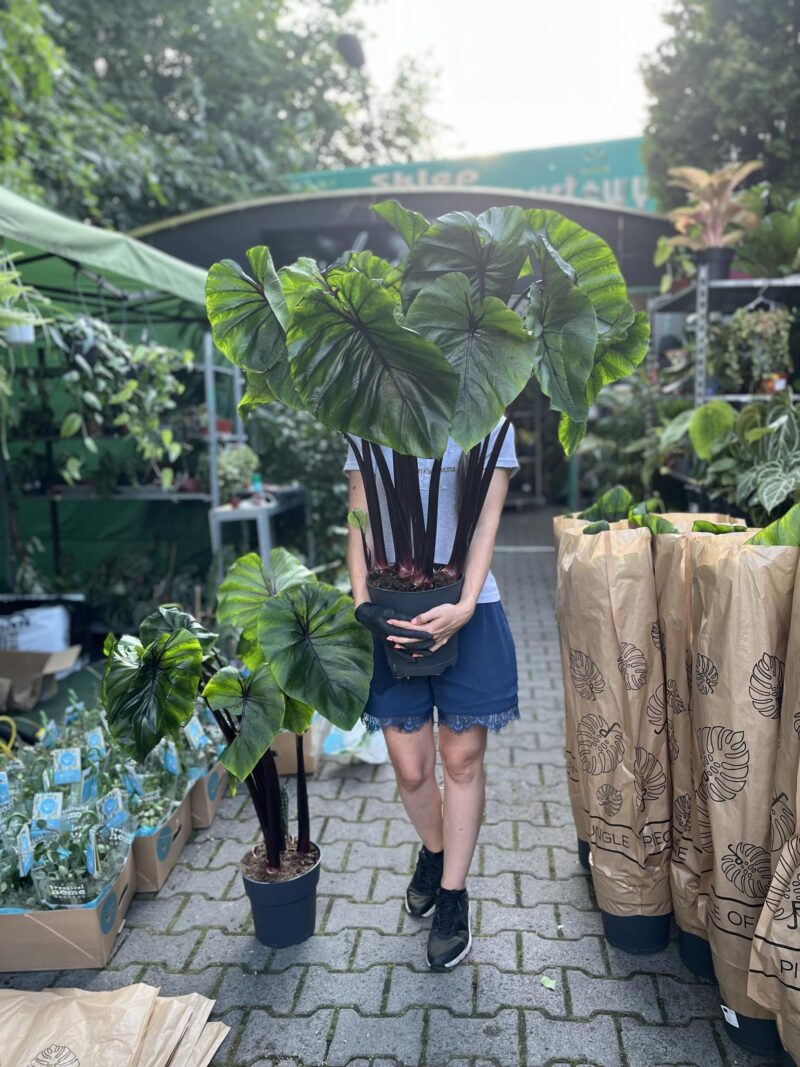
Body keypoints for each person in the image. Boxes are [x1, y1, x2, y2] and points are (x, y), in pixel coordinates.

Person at [345, 421, 519, 971]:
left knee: (461, 760)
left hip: (468, 607)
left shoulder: (486, 410)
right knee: (412, 769)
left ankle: (452, 895)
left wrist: (465, 606)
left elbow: (488, 519)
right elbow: (359, 521)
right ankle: (436, 851)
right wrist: (359, 603)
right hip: (391, 608)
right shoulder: (368, 403)